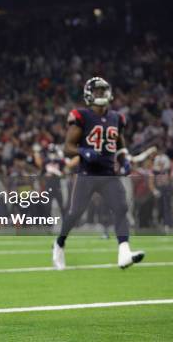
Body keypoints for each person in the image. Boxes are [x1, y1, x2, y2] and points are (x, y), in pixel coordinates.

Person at [52, 77, 144, 270]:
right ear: (88, 94)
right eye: (97, 91)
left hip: (108, 174)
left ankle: (124, 252)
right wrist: (82, 151)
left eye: (103, 91)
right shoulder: (82, 116)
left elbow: (119, 145)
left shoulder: (116, 118)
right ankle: (59, 243)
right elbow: (67, 147)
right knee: (75, 213)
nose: (100, 95)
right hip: (88, 173)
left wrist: (124, 160)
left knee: (121, 208)